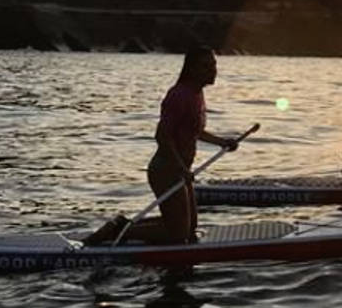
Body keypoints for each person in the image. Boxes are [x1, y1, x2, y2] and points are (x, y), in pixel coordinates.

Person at [85, 47, 237, 246]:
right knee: (178, 235)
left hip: (180, 171)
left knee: (189, 229)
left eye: (214, 65)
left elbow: (194, 131)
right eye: (206, 66)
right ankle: (118, 231)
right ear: (191, 69)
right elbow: (162, 136)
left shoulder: (197, 94)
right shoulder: (179, 95)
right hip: (166, 170)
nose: (213, 70)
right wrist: (180, 168)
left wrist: (223, 142)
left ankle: (124, 225)